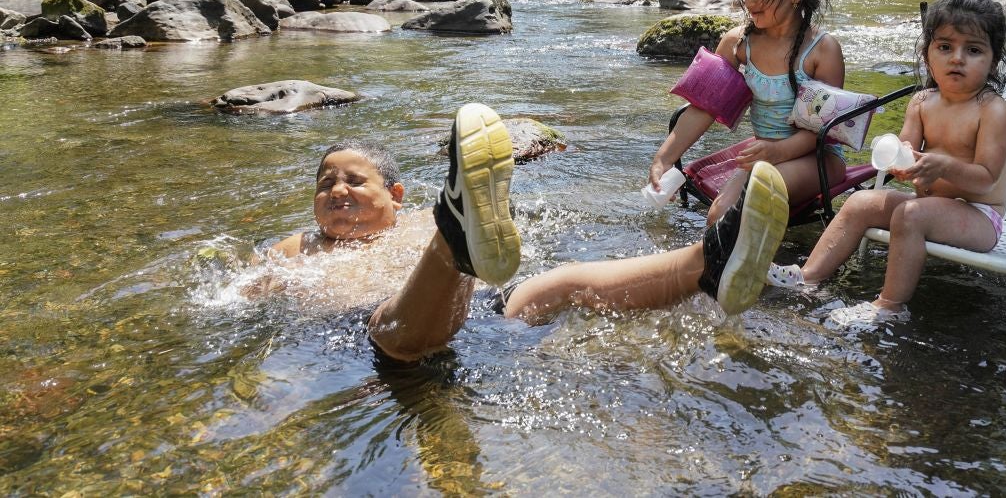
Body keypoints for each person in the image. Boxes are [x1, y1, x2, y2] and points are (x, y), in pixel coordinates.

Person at [268, 102, 791, 361]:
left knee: (560, 283)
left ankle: (711, 261)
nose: (336, 190)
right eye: (325, 183)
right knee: (394, 326)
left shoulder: (412, 225)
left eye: (355, 181)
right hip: (385, 327)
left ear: (396, 197)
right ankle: (457, 243)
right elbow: (248, 292)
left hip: (480, 303)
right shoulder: (298, 246)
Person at [766, 0, 1006, 329]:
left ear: (993, 60)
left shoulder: (992, 109)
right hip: (930, 206)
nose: (957, 58)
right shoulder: (922, 102)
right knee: (859, 202)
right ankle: (808, 278)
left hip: (980, 217)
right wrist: (902, 161)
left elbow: (986, 176)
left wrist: (942, 166)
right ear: (928, 55)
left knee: (910, 214)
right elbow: (907, 149)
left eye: (973, 50)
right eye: (945, 47)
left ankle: (889, 305)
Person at [648, 0, 847, 224]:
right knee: (720, 215)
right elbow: (703, 108)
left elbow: (821, 131)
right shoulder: (738, 43)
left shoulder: (822, 51)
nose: (749, 1)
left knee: (742, 204)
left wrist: (777, 151)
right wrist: (664, 158)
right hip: (764, 155)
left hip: (816, 158)